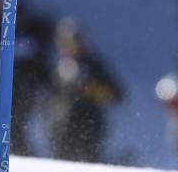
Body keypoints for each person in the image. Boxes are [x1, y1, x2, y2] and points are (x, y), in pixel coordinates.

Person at [45, 17, 122, 162]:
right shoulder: (58, 66)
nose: (70, 47)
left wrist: (93, 91)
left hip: (88, 129)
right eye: (65, 42)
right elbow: (49, 95)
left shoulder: (93, 66)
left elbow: (117, 94)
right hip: (60, 130)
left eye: (74, 41)